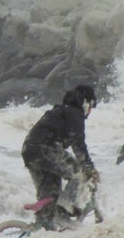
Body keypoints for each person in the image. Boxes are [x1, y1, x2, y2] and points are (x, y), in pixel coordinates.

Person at [21, 85, 99, 229]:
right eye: (91, 106)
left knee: (51, 199)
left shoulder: (61, 112)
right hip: (44, 149)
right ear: (86, 103)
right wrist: (89, 168)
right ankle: (63, 211)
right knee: (79, 173)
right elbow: (78, 144)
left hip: (30, 152)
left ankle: (43, 230)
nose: (90, 111)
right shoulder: (74, 113)